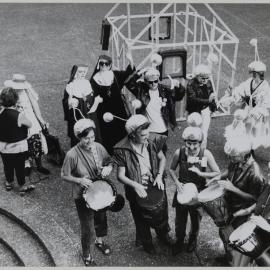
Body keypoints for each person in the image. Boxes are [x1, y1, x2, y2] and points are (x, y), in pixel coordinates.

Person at [113, 114, 171, 254]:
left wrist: (158, 176)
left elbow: (162, 159)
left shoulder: (152, 140)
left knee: (162, 210)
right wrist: (136, 185)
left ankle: (163, 235)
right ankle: (147, 243)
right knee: (140, 217)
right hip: (135, 186)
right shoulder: (122, 149)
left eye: (148, 133)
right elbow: (120, 176)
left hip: (155, 181)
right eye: (143, 135)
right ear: (132, 135)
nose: (147, 137)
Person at [61, 118, 113, 266]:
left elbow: (109, 161)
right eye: (86, 138)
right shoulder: (72, 154)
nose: (90, 141)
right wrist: (79, 180)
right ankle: (86, 255)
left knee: (101, 218)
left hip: (99, 190)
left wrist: (108, 168)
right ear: (79, 137)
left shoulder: (98, 147)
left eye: (92, 137)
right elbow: (64, 175)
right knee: (87, 227)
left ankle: (100, 241)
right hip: (83, 196)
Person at [209, 136, 266, 266]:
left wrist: (233, 189)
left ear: (245, 155)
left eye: (233, 157)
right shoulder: (235, 160)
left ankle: (235, 262)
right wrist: (217, 177)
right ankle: (228, 257)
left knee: (235, 239)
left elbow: (256, 199)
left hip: (243, 212)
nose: (230, 159)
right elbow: (228, 171)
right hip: (231, 205)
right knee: (224, 232)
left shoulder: (255, 174)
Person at [169, 126, 220, 255]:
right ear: (184, 141)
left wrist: (201, 174)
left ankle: (192, 240)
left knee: (195, 220)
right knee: (180, 220)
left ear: (200, 143)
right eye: (188, 144)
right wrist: (176, 182)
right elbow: (171, 169)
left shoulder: (206, 154)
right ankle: (179, 240)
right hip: (182, 191)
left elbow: (217, 173)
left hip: (198, 192)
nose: (191, 148)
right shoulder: (179, 153)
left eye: (195, 144)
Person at [125, 67, 185, 153]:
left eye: (156, 81)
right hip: (148, 130)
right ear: (145, 81)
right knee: (148, 154)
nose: (153, 84)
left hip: (162, 129)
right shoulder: (141, 90)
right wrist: (139, 72)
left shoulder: (164, 90)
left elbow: (179, 96)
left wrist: (179, 86)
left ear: (158, 79)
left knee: (161, 154)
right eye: (150, 82)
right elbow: (128, 83)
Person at [4, 74, 50, 175]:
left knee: (36, 140)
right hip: (18, 119)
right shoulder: (10, 92)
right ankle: (27, 164)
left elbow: (35, 106)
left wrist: (41, 120)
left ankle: (39, 165)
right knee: (23, 142)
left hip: (30, 118)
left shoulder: (28, 91)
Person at [90, 52, 135, 154]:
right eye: (102, 64)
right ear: (98, 65)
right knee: (107, 133)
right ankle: (110, 153)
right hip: (104, 111)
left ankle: (124, 151)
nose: (104, 66)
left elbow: (129, 72)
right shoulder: (94, 79)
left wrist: (130, 59)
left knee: (121, 129)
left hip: (118, 108)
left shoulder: (115, 75)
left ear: (110, 65)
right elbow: (91, 94)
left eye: (107, 64)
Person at [221, 61, 270, 153]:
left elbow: (266, 104)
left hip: (257, 112)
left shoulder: (265, 86)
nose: (253, 75)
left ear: (261, 74)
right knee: (240, 127)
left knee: (253, 131)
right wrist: (233, 92)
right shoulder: (249, 82)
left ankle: (250, 151)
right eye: (253, 73)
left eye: (255, 73)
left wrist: (257, 112)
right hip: (247, 110)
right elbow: (239, 91)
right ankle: (240, 148)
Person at [0, 87, 35, 196]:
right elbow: (29, 124)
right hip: (18, 147)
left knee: (7, 165)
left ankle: (9, 182)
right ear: (15, 100)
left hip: (3, 146)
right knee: (19, 167)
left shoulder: (1, 112)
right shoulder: (18, 115)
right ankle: (21, 185)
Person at [63, 64, 102, 147]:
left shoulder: (87, 83)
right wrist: (70, 102)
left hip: (90, 115)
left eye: (84, 72)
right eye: (80, 72)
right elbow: (65, 102)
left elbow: (91, 97)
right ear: (75, 73)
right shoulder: (70, 86)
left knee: (92, 134)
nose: (83, 74)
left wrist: (95, 100)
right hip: (78, 117)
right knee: (81, 135)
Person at [232, 182, 270, 266]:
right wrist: (248, 210)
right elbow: (260, 202)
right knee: (238, 259)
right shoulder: (268, 186)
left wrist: (267, 226)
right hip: (258, 232)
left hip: (267, 240)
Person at [186, 64, 217, 148]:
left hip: (205, 110)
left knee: (204, 132)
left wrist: (213, 108)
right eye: (203, 78)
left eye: (207, 78)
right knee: (194, 132)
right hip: (195, 111)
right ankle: (192, 150)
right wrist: (209, 101)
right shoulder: (191, 84)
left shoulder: (208, 82)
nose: (205, 80)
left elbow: (211, 94)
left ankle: (202, 151)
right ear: (197, 76)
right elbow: (193, 99)